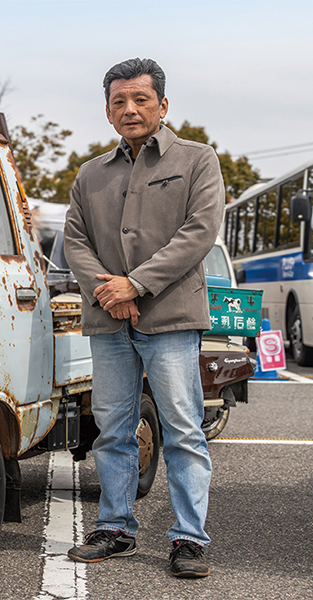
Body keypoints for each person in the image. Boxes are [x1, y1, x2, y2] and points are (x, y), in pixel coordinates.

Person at [63, 57, 224, 578]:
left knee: (182, 429)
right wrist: (112, 292)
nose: (129, 109)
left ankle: (189, 540)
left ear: (163, 105)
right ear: (108, 110)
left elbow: (199, 232)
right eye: (119, 101)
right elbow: (75, 241)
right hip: (110, 322)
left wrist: (136, 283)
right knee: (112, 428)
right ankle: (115, 528)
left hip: (171, 318)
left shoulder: (198, 159)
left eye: (140, 100)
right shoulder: (91, 174)